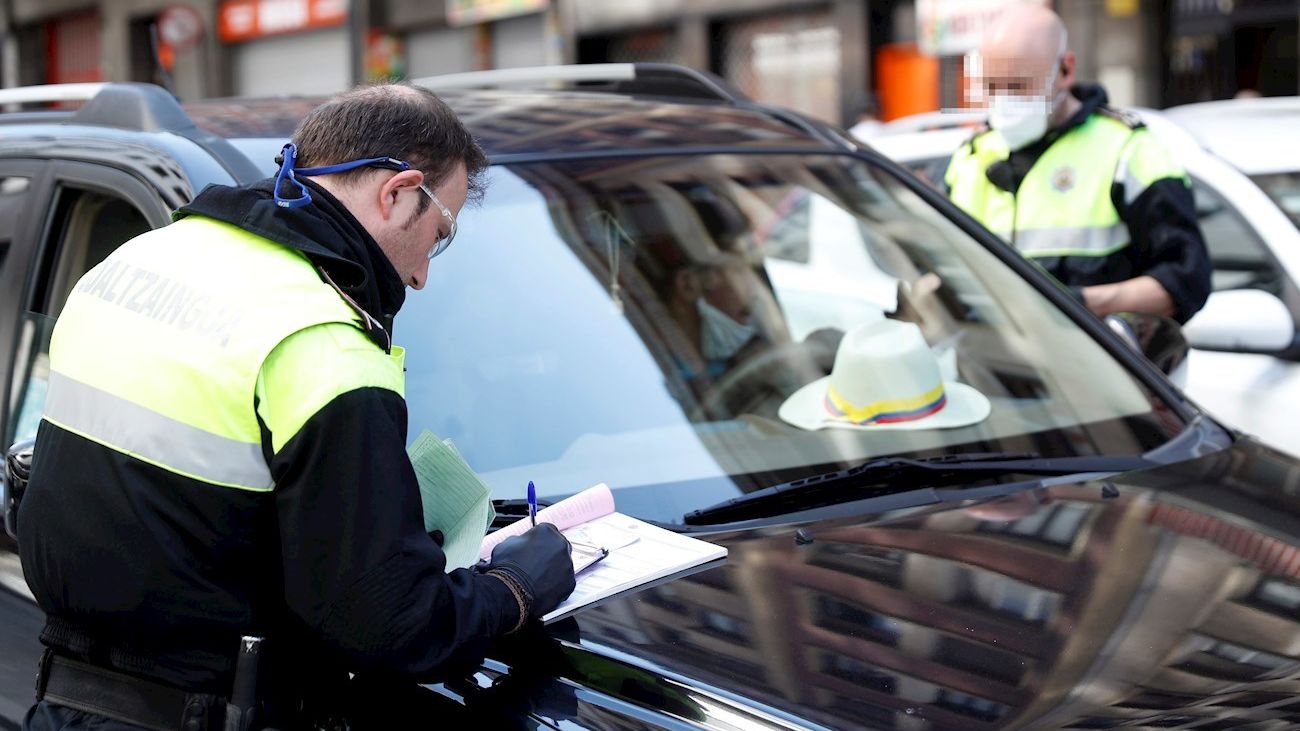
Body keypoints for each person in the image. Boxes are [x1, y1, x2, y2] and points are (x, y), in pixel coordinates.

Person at [17, 84, 576, 730]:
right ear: (398, 193)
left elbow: (179, 509)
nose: (423, 273)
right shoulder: (322, 345)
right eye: (439, 233)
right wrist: (512, 590)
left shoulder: (132, 265)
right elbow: (388, 622)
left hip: (64, 707)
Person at [945, 3, 1212, 324]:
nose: (1004, 102)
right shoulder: (970, 157)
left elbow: (1185, 281)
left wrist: (1081, 303)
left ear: (1065, 70)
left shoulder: (1128, 150)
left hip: (1096, 367)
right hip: (996, 366)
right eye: (992, 88)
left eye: (1017, 87)